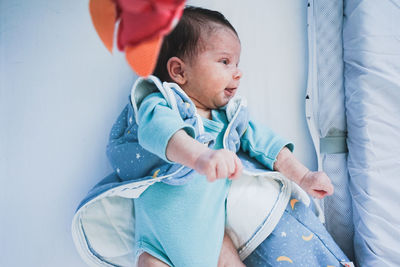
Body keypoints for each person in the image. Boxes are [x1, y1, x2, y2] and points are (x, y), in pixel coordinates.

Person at [107, 6, 352, 267]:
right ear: (179, 71)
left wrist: (304, 176)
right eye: (224, 62)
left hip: (215, 242)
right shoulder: (160, 102)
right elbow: (162, 134)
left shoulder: (231, 119)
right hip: (157, 248)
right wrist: (202, 156)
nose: (237, 72)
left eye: (237, 63)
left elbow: (269, 147)